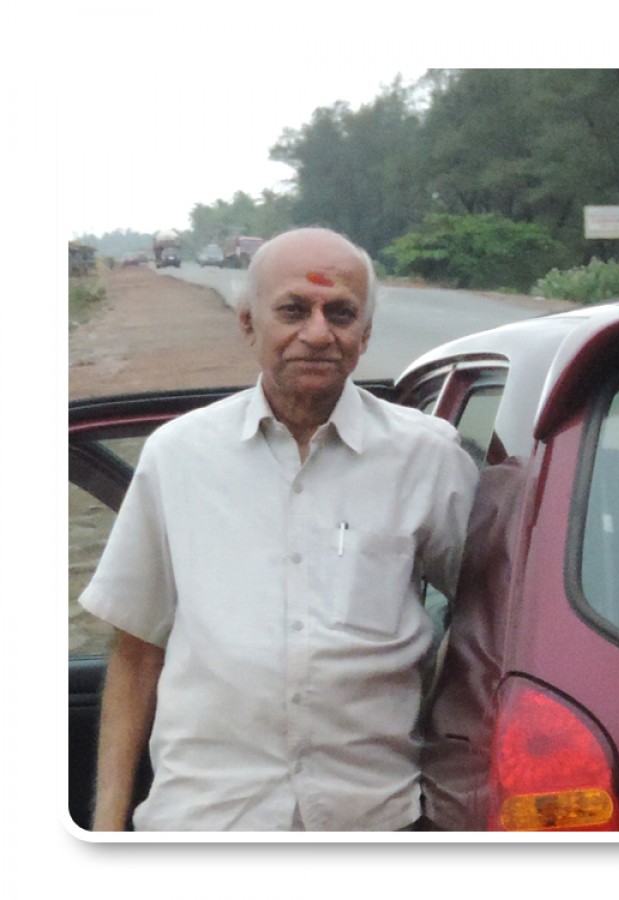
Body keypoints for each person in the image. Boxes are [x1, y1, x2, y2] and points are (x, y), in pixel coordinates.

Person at [82, 227, 479, 831]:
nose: (318, 333)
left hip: (372, 824)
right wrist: (104, 836)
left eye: (341, 313)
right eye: (293, 310)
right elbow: (136, 654)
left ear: (365, 335)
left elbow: (486, 619)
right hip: (204, 826)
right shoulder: (179, 457)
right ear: (248, 324)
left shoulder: (428, 458)